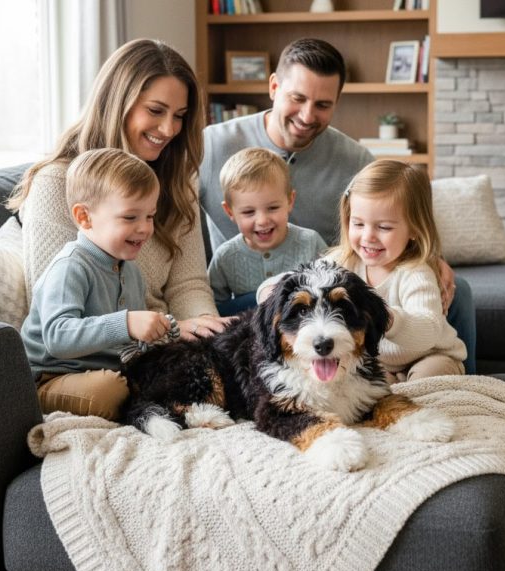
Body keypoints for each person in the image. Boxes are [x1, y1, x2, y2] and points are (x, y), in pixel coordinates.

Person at [198, 37, 476, 373]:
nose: (306, 115)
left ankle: (464, 385)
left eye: (322, 105)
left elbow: (397, 212)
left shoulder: (354, 159)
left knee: (455, 288)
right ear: (274, 86)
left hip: (327, 290)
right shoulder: (211, 144)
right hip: (245, 296)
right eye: (297, 98)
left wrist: (432, 259)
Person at [7, 38, 227, 340]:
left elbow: (187, 284)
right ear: (116, 102)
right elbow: (57, 315)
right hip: (101, 357)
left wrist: (207, 329)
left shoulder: (177, 180)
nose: (168, 130)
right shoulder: (56, 183)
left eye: (179, 116)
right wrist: (171, 332)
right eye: (155, 110)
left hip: (164, 346)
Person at [21, 148, 172, 420]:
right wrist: (126, 323)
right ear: (84, 217)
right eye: (130, 217)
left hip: (105, 371)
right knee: (110, 391)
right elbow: (57, 337)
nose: (145, 228)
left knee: (169, 372)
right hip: (52, 377)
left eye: (149, 216)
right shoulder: (70, 267)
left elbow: (129, 347)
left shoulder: (132, 272)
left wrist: (158, 335)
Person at [328, 159, 466, 380]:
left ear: (414, 229)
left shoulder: (415, 273)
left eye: (384, 227)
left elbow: (428, 331)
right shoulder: (342, 262)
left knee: (429, 377)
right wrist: (272, 290)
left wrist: (387, 318)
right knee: (364, 384)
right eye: (358, 224)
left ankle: (412, 397)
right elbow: (296, 280)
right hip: (378, 362)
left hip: (430, 355)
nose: (368, 236)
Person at [208, 147, 327, 316]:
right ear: (229, 212)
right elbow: (214, 308)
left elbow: (332, 287)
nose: (262, 220)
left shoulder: (310, 242)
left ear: (290, 201)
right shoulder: (226, 256)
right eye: (249, 212)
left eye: (272, 208)